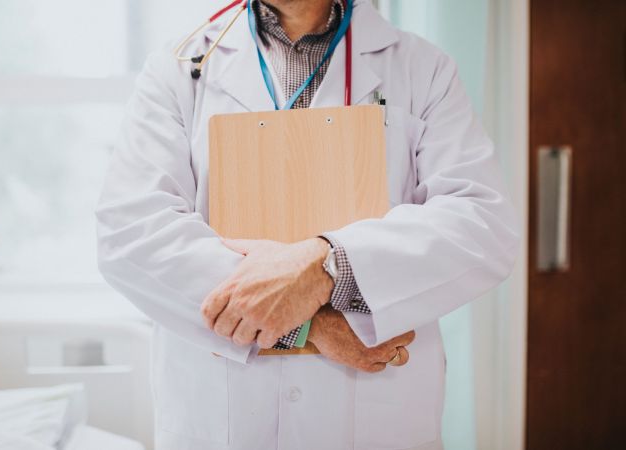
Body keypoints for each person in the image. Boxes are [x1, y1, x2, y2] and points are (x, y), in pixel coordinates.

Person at [95, 0, 520, 449]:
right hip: (222, 415)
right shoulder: (177, 70)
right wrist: (303, 325)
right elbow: (131, 234)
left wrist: (326, 267)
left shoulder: (422, 69)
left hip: (376, 417)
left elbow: (481, 224)